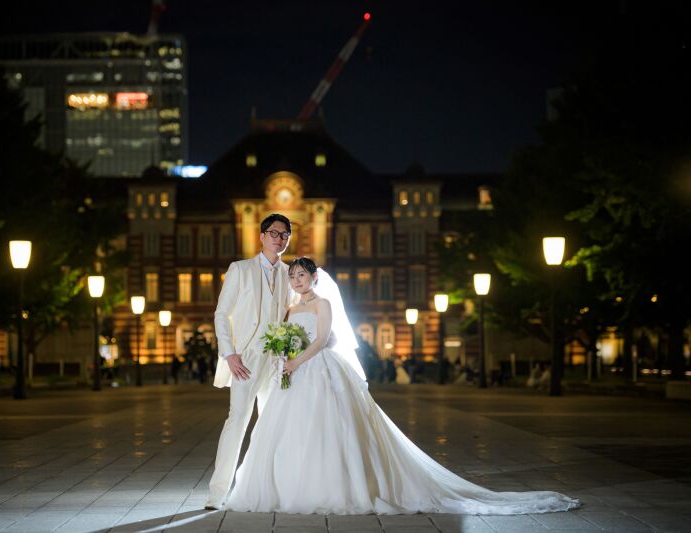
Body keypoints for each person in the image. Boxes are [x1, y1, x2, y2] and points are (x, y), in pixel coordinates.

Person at [224, 257, 580, 515]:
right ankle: (290, 485)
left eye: (302, 275)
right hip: (293, 373)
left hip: (318, 369)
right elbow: (286, 339)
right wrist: (283, 358)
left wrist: (296, 360)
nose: (297, 280)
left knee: (330, 428)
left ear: (315, 277)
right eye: (293, 276)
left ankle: (334, 485)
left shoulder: (324, 303)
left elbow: (323, 340)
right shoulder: (288, 308)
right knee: (291, 431)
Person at [206, 214, 293, 509]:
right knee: (238, 420)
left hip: (276, 360)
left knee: (271, 425)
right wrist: (229, 353)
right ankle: (217, 493)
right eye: (273, 233)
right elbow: (221, 314)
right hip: (245, 357)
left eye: (284, 235)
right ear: (262, 236)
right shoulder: (240, 269)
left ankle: (264, 491)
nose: (278, 238)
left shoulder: (289, 274)